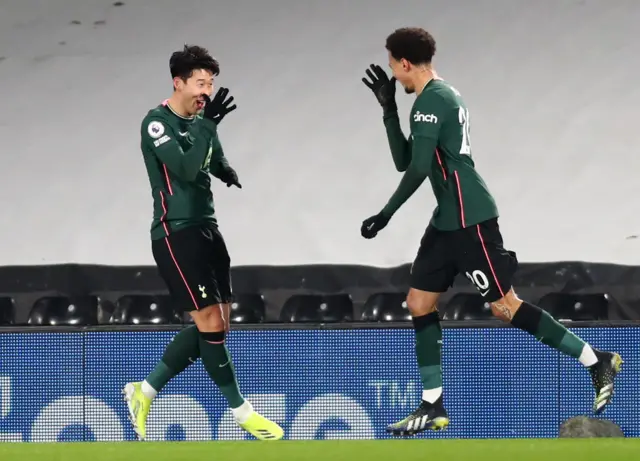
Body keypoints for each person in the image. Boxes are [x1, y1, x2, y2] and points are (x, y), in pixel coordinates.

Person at [360, 27, 623, 436]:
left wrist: (386, 213)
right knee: (418, 302)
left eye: (394, 67)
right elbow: (405, 160)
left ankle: (596, 360)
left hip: (470, 219)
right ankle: (432, 405)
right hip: (446, 220)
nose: (394, 75)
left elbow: (414, 170)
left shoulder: (435, 100)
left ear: (405, 63)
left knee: (505, 307)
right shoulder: (433, 99)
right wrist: (388, 110)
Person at [122, 44, 283, 442]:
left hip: (207, 228)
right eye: (199, 83)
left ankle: (144, 391)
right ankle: (243, 414)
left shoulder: (199, 121)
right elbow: (187, 167)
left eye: (210, 84)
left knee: (219, 325)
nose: (205, 91)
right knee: (209, 322)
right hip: (175, 233)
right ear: (178, 82)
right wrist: (208, 126)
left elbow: (209, 160)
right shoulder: (156, 123)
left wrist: (226, 168)